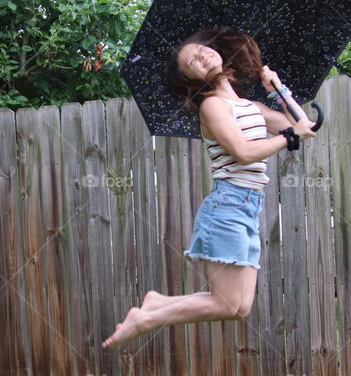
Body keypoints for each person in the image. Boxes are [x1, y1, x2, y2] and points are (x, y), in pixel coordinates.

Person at [102, 27, 317, 349]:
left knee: (239, 307)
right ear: (190, 78)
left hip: (248, 207)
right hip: (227, 208)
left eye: (201, 49)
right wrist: (288, 138)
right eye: (192, 60)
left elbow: (303, 126)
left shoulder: (251, 107)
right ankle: (146, 318)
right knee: (227, 304)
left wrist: (276, 89)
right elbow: (243, 152)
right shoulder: (213, 106)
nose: (201, 55)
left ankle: (157, 303)